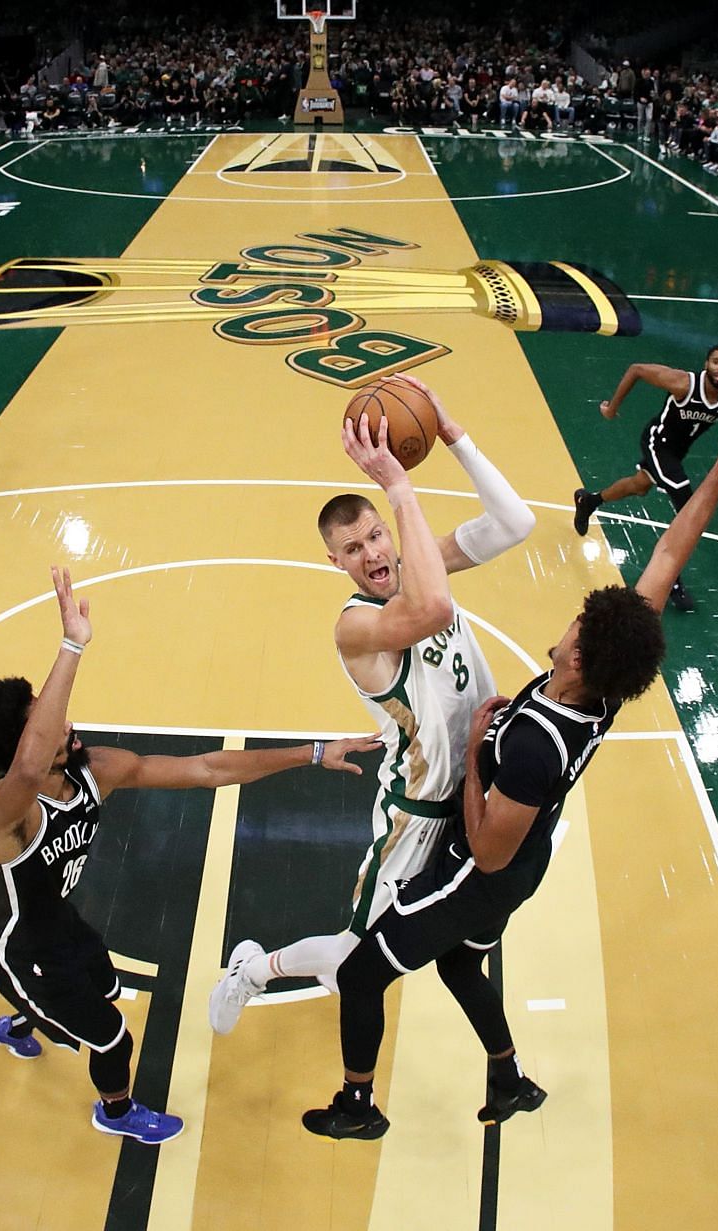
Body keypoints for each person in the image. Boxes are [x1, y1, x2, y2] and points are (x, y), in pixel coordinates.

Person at [304, 391, 718, 1141]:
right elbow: (671, 549)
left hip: (477, 853)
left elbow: (485, 847)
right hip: (528, 847)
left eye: (578, 623)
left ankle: (358, 1104)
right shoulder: (600, 687)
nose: (572, 615)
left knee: (362, 972)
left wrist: (481, 754)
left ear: (579, 654)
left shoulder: (530, 739)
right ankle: (508, 1075)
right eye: (354, 550)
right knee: (458, 966)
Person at [0, 568, 378, 1142]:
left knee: (105, 988)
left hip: (59, 923)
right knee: (113, 1035)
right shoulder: (6, 813)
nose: (61, 717)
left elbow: (206, 769)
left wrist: (312, 753)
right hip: (20, 947)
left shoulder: (94, 770)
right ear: (22, 744)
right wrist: (70, 646)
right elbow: (32, 766)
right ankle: (115, 1112)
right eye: (43, 717)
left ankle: (20, 1021)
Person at [209, 379, 537, 1032]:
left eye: (376, 537)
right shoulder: (353, 625)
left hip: (480, 791)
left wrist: (450, 432)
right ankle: (253, 968)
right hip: (416, 816)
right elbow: (432, 610)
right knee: (356, 958)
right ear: (336, 562)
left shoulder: (418, 563)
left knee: (436, 945)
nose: (373, 554)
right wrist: (399, 485)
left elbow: (515, 523)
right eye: (354, 549)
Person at [571, 345, 718, 608]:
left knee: (640, 485)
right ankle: (671, 579)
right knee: (686, 502)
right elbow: (636, 369)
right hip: (657, 441)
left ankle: (590, 501)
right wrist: (612, 408)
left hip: (677, 453)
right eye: (716, 362)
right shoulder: (683, 383)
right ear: (706, 364)